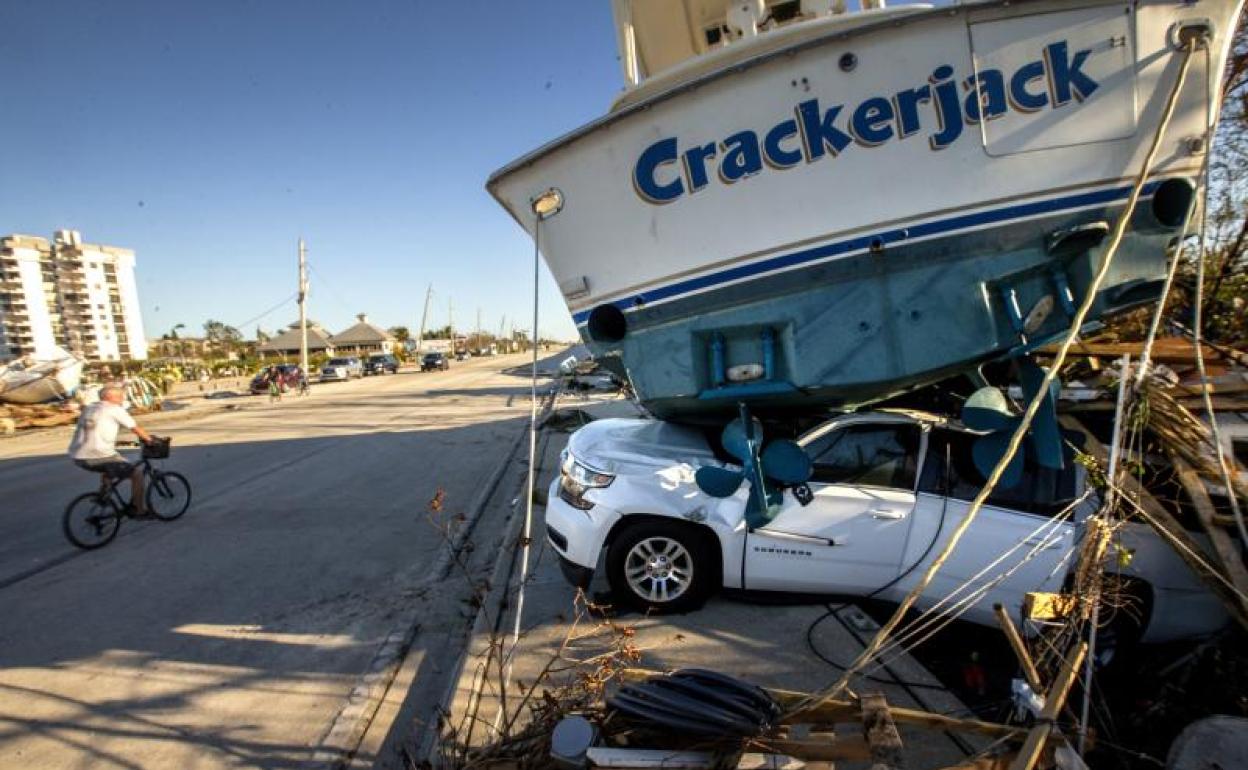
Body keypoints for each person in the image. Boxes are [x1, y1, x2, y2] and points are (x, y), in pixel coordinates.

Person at [68, 384, 153, 515]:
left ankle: (103, 496)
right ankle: (139, 510)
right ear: (110, 397)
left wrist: (131, 444)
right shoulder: (114, 409)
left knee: (110, 466)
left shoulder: (90, 407)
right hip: (98, 455)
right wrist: (149, 440)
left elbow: (104, 436)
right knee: (137, 474)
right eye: (120, 397)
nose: (122, 400)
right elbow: (135, 428)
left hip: (78, 456)